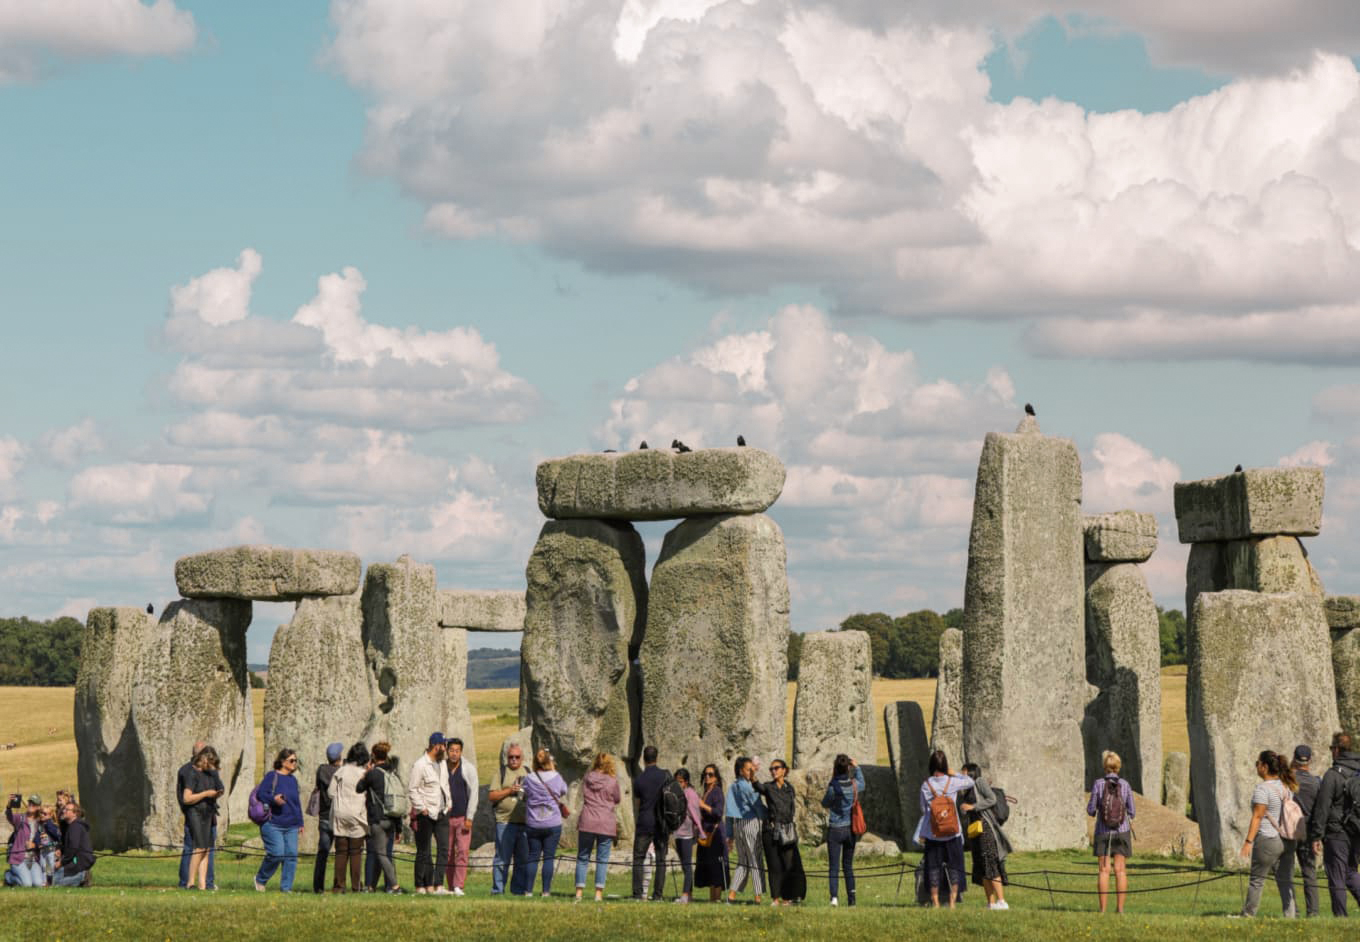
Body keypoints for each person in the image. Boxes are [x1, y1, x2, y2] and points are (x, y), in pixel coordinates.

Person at [1238, 749, 1298, 918]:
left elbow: (1257, 816)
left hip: (1268, 839)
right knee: (1286, 881)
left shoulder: (1263, 789)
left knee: (1257, 880)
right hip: (1287, 839)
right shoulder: (1286, 787)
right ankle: (1290, 916)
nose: (1256, 766)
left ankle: (1249, 914)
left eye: (1257, 763)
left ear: (1264, 767)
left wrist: (1248, 842)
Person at [1307, 731, 1360, 916]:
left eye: (1331, 748)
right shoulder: (1358, 772)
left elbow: (1323, 807)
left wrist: (1316, 835)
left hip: (1337, 832)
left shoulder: (1333, 775)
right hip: (1357, 831)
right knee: (1350, 872)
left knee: (1336, 875)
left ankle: (1340, 917)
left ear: (1337, 750)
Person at [919, 750, 972, 909]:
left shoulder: (926, 785)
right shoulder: (952, 782)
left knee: (933, 868)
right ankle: (952, 901)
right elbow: (970, 782)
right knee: (955, 867)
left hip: (933, 834)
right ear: (945, 766)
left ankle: (935, 902)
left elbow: (923, 809)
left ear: (931, 765)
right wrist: (955, 773)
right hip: (952, 832)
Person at [1087, 750, 1135, 914]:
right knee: (1120, 870)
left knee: (1104, 870)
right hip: (1122, 831)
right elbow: (1132, 811)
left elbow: (1091, 810)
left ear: (1104, 767)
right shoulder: (1126, 785)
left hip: (1103, 831)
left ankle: (1102, 910)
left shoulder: (1098, 784)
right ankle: (1120, 909)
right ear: (1118, 767)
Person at [961, 761, 1010, 910]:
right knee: (981, 866)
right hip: (975, 829)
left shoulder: (979, 781)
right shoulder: (967, 788)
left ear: (970, 772)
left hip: (985, 829)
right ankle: (991, 903)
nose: (961, 774)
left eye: (963, 771)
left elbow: (991, 799)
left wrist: (973, 806)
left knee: (990, 863)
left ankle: (1002, 901)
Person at [755, 757, 804, 906]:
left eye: (776, 768)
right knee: (774, 865)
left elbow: (790, 810)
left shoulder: (790, 789)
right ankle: (775, 898)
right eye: (771, 769)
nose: (773, 771)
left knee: (788, 865)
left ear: (784, 770)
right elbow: (757, 786)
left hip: (787, 830)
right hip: (771, 830)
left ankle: (787, 898)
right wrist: (752, 773)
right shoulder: (768, 787)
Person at [520, 748, 568, 897]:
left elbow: (523, 794)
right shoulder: (556, 776)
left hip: (533, 823)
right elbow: (564, 790)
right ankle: (546, 891)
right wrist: (553, 770)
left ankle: (528, 891)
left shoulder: (529, 778)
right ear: (550, 761)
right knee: (548, 857)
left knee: (533, 856)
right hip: (552, 823)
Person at [408, 732, 452, 895]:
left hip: (442, 811)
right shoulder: (420, 765)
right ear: (436, 746)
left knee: (443, 849)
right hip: (426, 813)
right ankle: (421, 885)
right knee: (424, 851)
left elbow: (445, 785)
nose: (445, 749)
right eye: (444, 745)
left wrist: (449, 803)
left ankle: (438, 884)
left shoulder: (442, 764)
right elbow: (412, 789)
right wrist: (422, 808)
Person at [254, 748, 303, 893]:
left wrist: (300, 823)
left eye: (296, 760)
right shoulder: (272, 776)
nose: (294, 763)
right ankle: (260, 879)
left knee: (291, 856)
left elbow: (296, 803)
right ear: (282, 762)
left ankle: (286, 888)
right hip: (273, 823)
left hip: (291, 825)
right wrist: (273, 799)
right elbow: (261, 794)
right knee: (276, 853)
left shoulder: (293, 780)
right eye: (291, 760)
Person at [575, 752, 621, 902]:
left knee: (583, 857)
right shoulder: (612, 781)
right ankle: (598, 894)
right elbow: (617, 799)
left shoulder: (587, 778)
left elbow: (583, 794)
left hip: (588, 819)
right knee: (602, 859)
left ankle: (579, 892)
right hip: (606, 821)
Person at [823, 753, 868, 907]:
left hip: (835, 828)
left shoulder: (833, 787)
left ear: (835, 768)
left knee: (834, 866)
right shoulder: (854, 785)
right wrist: (857, 767)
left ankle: (834, 897)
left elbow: (825, 803)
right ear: (848, 768)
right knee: (848, 866)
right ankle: (852, 899)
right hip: (850, 829)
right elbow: (863, 783)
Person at [361, 741, 403, 894]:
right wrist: (399, 828)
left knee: (380, 854)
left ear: (373, 755)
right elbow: (396, 800)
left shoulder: (373, 774)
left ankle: (395, 886)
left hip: (377, 819)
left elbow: (359, 788)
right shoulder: (393, 774)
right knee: (385, 853)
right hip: (391, 819)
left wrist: (366, 773)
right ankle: (371, 886)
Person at [489, 741, 530, 895]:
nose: (514, 760)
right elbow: (492, 796)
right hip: (504, 822)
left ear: (522, 758)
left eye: (517, 757)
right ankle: (498, 890)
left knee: (522, 860)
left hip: (524, 823)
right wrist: (509, 791)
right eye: (511, 757)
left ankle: (518, 891)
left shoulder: (528, 772)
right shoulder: (501, 772)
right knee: (502, 859)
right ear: (507, 757)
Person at [176, 739, 217, 890]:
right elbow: (185, 797)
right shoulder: (187, 771)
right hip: (194, 815)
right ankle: (187, 882)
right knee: (191, 848)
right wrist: (206, 794)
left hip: (208, 815)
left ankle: (206, 883)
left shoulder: (208, 770)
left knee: (207, 850)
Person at [329, 741, 370, 893]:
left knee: (341, 851)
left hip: (340, 812)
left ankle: (339, 886)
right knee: (355, 852)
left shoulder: (341, 771)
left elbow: (330, 792)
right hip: (358, 814)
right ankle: (356, 885)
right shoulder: (363, 774)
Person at [726, 756, 766, 904]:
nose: (752, 772)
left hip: (738, 825)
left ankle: (732, 895)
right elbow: (757, 805)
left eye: (752, 769)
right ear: (741, 771)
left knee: (742, 861)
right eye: (749, 769)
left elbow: (728, 812)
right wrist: (769, 816)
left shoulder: (733, 786)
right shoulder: (747, 787)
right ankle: (757, 897)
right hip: (751, 823)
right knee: (756, 860)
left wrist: (729, 835)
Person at [632, 745, 670, 901]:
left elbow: (638, 804)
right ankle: (658, 894)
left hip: (645, 821)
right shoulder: (665, 775)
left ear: (643, 758)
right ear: (657, 757)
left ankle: (637, 894)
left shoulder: (639, 779)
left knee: (638, 858)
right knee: (661, 860)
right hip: (661, 822)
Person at [443, 736, 478, 896]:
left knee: (463, 851)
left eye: (457, 751)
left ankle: (458, 885)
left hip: (462, 817)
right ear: (447, 751)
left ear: (461, 752)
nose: (454, 753)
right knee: (447, 853)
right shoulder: (441, 767)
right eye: (451, 750)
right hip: (445, 817)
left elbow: (474, 793)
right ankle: (450, 885)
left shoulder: (468, 768)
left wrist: (470, 817)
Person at [1291, 744, 1322, 918]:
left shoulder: (1288, 780)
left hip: (1289, 830)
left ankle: (1293, 910)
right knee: (1309, 872)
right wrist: (1317, 835)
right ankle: (1313, 912)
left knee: (1286, 871)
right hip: (1308, 830)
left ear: (1294, 758)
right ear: (1309, 760)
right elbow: (1320, 809)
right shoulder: (1316, 783)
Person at [312, 741, 343, 893]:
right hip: (340, 815)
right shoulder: (341, 773)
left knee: (323, 852)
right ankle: (339, 885)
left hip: (324, 815)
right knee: (341, 852)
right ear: (339, 757)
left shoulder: (321, 770)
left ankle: (318, 886)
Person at [668, 768, 703, 904]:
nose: (678, 784)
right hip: (678, 832)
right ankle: (689, 895)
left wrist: (699, 830)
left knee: (687, 865)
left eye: (681, 781)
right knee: (684, 865)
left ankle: (684, 895)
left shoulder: (690, 793)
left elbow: (695, 814)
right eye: (676, 781)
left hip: (687, 833)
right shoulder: (676, 793)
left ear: (686, 782)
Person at [694, 764, 729, 901]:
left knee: (716, 866)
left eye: (711, 774)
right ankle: (712, 899)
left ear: (716, 778)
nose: (707, 777)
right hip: (705, 832)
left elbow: (718, 812)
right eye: (705, 774)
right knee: (709, 866)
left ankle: (717, 898)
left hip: (715, 833)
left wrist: (703, 806)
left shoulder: (717, 791)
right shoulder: (706, 791)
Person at [51, 802, 93, 887]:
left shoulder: (75, 827)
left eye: (67, 810)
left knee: (56, 883)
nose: (64, 811)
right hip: (73, 860)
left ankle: (82, 877)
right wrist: (60, 849)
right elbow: (66, 845)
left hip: (78, 862)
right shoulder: (70, 826)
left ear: (75, 813)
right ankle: (80, 879)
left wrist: (61, 862)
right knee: (54, 878)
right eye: (64, 809)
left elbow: (72, 849)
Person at [4, 794, 43, 887]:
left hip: (33, 859)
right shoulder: (20, 818)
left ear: (38, 807)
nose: (30, 805)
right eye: (29, 803)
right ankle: (8, 876)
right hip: (18, 859)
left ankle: (23, 876)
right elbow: (9, 816)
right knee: (27, 884)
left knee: (38, 884)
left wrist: (34, 845)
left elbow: (43, 841)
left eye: (33, 804)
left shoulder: (40, 822)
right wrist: (9, 806)